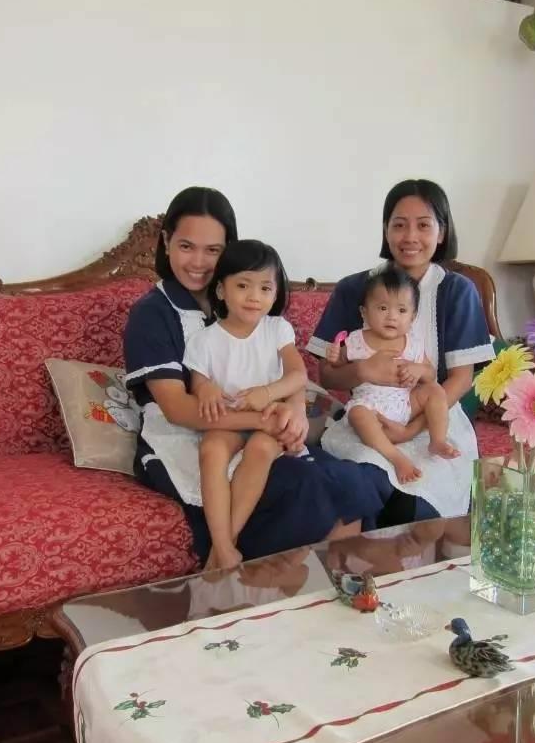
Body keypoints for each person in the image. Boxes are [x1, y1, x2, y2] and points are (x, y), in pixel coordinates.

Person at [123, 186, 391, 565]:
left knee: (352, 479)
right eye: (186, 246)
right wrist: (264, 419)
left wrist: (295, 410)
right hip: (187, 435)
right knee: (303, 485)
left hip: (263, 421)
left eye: (213, 250)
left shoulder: (247, 302)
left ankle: (329, 590)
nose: (198, 261)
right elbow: (179, 409)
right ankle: (237, 571)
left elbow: (287, 368)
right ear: (166, 242)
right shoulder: (153, 313)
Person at [307, 179, 494, 521]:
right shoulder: (355, 289)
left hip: (433, 418)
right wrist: (361, 370)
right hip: (372, 415)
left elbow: (461, 379)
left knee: (417, 501)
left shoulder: (458, 291)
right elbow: (327, 375)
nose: (410, 237)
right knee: (359, 484)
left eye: (423, 225)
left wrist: (411, 429)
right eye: (399, 225)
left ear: (441, 232)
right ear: (385, 230)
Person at [184, 240, 307, 569]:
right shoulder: (203, 340)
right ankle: (225, 548)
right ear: (221, 290)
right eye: (243, 286)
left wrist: (266, 393)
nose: (254, 296)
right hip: (230, 420)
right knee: (211, 449)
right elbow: (198, 383)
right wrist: (206, 388)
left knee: (262, 449)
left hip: (268, 417)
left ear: (275, 293)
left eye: (265, 288)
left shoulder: (277, 329)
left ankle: (222, 549)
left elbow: (298, 375)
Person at [325, 262, 458, 485]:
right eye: (383, 308)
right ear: (364, 312)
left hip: (406, 405)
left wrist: (418, 370)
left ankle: (437, 440)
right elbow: (338, 365)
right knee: (357, 413)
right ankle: (396, 458)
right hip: (371, 409)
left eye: (402, 310)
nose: (392, 317)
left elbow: (431, 375)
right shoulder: (357, 339)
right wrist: (335, 356)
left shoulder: (413, 344)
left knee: (435, 390)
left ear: (413, 317)